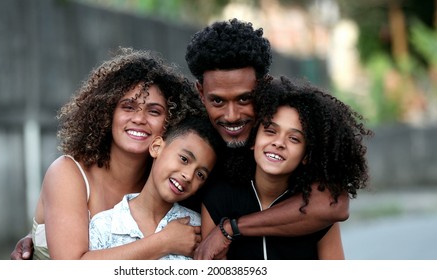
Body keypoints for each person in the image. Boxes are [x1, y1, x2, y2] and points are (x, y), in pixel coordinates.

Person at [12, 48, 206, 260]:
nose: (139, 119)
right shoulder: (67, 173)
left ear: (170, 123)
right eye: (128, 107)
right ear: (107, 113)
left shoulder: (169, 181)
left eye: (154, 111)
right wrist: (164, 242)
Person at [184, 18, 352, 259]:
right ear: (201, 93)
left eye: (244, 99)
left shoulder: (284, 144)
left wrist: (231, 228)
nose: (231, 116)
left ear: (262, 87)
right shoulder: (192, 141)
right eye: (218, 101)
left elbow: (333, 204)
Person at [201, 75, 372, 259]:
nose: (279, 143)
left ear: (306, 155)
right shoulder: (219, 198)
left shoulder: (315, 209)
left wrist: (232, 228)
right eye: (270, 131)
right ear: (253, 140)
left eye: (294, 138)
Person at [89, 116, 225, 260]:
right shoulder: (104, 225)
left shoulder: (199, 232)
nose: (188, 175)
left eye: (200, 174)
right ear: (157, 147)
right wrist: (165, 241)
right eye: (184, 159)